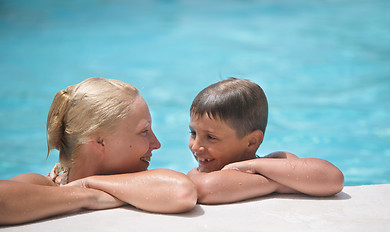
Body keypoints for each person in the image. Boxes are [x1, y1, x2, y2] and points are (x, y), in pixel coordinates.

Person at [0, 77, 197, 225]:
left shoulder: (140, 182)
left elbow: (182, 191)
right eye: (144, 131)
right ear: (100, 141)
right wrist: (88, 196)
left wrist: (88, 183)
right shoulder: (45, 185)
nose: (157, 143)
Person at [187, 78, 344, 204]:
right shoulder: (198, 174)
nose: (195, 146)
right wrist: (278, 184)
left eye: (211, 137)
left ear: (251, 142)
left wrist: (252, 165)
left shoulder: (276, 160)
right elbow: (206, 189)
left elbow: (333, 178)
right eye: (193, 133)